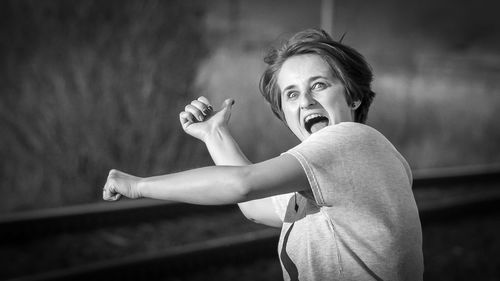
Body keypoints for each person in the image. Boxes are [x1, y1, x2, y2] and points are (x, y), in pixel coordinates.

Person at [103, 29, 424, 280]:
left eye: (320, 86)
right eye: (292, 93)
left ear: (353, 97)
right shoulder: (348, 168)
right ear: (283, 112)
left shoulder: (350, 141)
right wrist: (215, 135)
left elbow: (241, 184)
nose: (306, 102)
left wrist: (137, 186)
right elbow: (255, 205)